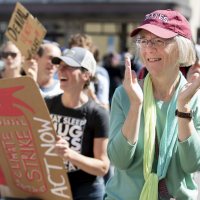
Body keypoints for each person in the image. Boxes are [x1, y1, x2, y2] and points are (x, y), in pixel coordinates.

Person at [105, 9, 200, 200]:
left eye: (158, 40)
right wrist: (135, 106)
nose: (148, 48)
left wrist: (183, 108)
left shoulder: (194, 98)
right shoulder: (124, 94)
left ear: (181, 48)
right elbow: (119, 161)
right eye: (143, 40)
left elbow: (192, 164)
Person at [45, 46, 110, 200]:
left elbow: (103, 167)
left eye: (68, 67)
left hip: (87, 192)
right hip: (53, 188)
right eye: (60, 66)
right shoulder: (47, 104)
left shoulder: (98, 114)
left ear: (86, 75)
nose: (61, 71)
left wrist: (69, 155)